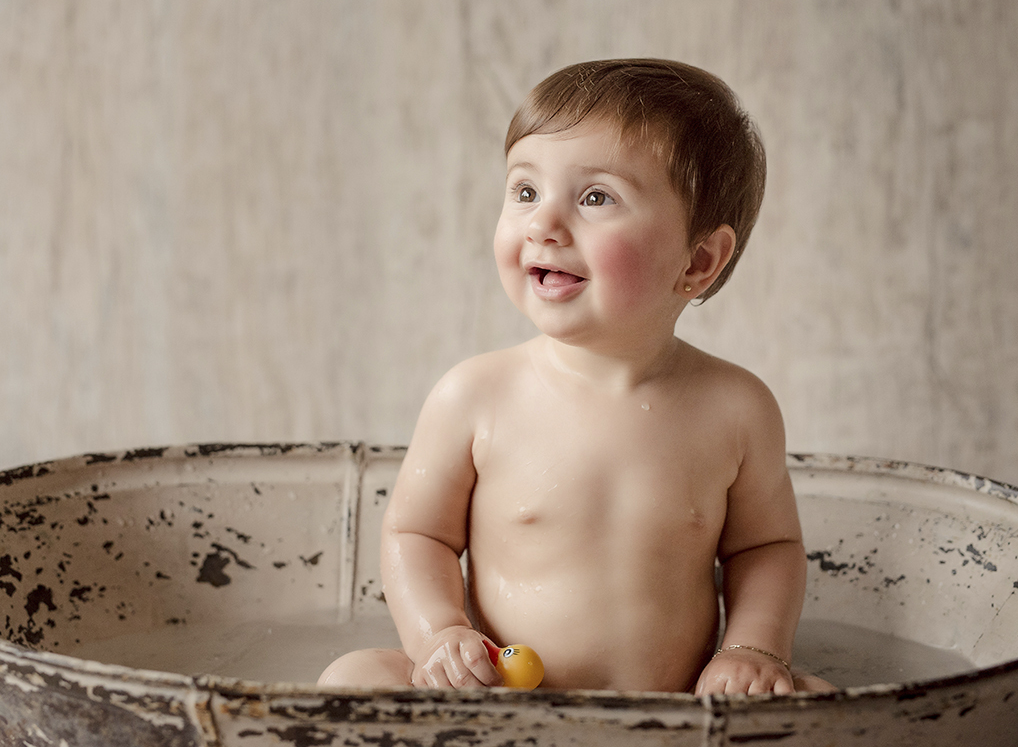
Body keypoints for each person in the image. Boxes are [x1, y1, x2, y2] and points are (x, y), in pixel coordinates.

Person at [319, 59, 833, 695]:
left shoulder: (734, 408)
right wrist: (439, 636)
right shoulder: (477, 397)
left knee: (822, 711)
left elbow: (767, 548)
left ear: (698, 261)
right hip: (500, 698)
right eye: (525, 191)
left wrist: (753, 652)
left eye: (596, 198)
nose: (542, 224)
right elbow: (415, 532)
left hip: (676, 709)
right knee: (352, 680)